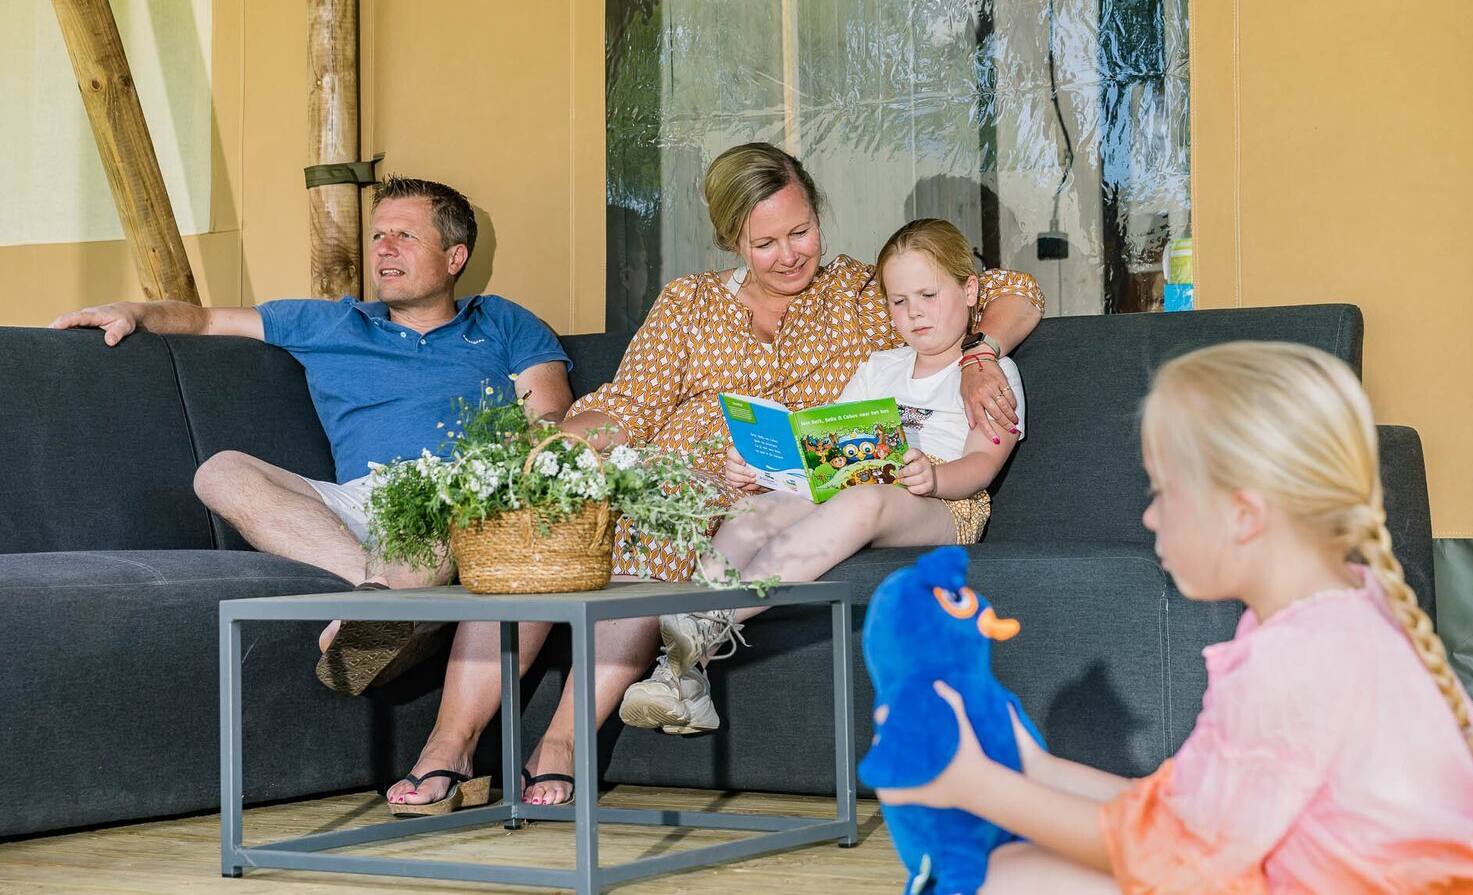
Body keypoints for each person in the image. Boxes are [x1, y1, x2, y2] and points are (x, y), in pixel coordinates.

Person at [388, 143, 1044, 812]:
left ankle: (561, 743)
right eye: (765, 243)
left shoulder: (863, 292)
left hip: (762, 490)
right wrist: (556, 453)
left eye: (801, 232)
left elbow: (1011, 290)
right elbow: (627, 407)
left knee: (652, 532)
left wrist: (980, 355)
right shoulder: (689, 303)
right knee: (543, 524)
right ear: (730, 238)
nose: (790, 255)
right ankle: (448, 747)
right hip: (665, 471)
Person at [875, 341, 1473, 893]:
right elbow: (1187, 807)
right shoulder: (1334, 615)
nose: (1149, 516)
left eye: (1162, 491)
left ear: (1245, 514)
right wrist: (1035, 768)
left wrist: (971, 781)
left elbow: (1176, 851)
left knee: (1005, 879)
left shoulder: (1297, 661)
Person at [48, 176, 574, 696]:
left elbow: (549, 417)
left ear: (455, 257)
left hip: (461, 494)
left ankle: (391, 612)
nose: (383, 249)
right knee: (221, 471)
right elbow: (205, 319)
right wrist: (134, 312)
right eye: (377, 236)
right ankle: (384, 605)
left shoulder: (504, 321)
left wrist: (489, 482)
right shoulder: (330, 324)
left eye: (404, 236)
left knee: (433, 518)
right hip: (357, 501)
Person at [618, 217, 1025, 734]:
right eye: (899, 302)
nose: (914, 313)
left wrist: (935, 479)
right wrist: (768, 467)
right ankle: (681, 675)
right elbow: (827, 446)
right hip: (862, 481)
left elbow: (984, 465)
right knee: (757, 508)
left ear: (970, 292)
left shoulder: (991, 374)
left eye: (928, 294)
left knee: (865, 501)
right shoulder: (880, 366)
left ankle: (710, 618)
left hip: (946, 503)